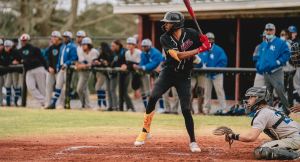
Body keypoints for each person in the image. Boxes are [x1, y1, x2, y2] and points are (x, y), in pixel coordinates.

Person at [134, 11, 211, 152]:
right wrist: (200, 49)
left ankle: (193, 141)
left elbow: (205, 43)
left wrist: (206, 42)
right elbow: (179, 56)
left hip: (184, 76)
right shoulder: (165, 38)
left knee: (186, 109)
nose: (165, 24)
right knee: (153, 97)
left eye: (168, 22)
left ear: (176, 24)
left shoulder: (192, 33)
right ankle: (145, 131)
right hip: (168, 73)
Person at [215, 86, 300, 160]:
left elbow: (251, 137)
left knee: (261, 151)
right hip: (295, 137)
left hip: (295, 139)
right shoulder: (270, 109)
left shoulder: (262, 113)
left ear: (258, 98)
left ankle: (297, 154)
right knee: (265, 144)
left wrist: (232, 136)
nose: (248, 100)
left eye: (250, 97)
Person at [256, 23, 291, 115]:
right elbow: (259, 57)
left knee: (280, 92)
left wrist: (278, 62)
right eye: (267, 30)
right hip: (266, 72)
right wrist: (259, 65)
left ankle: (287, 111)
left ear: (274, 31)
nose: (268, 31)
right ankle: (270, 113)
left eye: (270, 30)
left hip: (276, 71)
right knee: (268, 94)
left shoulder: (280, 42)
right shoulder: (263, 44)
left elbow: (287, 54)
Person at [46, 31, 78, 109]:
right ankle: (53, 103)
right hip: (61, 69)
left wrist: (67, 63)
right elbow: (60, 58)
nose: (64, 38)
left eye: (66, 37)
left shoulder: (73, 47)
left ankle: (66, 104)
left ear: (70, 38)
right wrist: (58, 65)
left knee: (66, 87)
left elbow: (74, 58)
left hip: (68, 69)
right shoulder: (63, 46)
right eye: (64, 37)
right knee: (58, 86)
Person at [199, 32, 228, 114]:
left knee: (219, 91)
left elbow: (224, 61)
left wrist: (217, 68)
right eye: (207, 39)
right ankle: (206, 109)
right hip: (207, 74)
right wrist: (202, 65)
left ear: (213, 40)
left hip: (217, 74)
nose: (209, 41)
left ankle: (224, 108)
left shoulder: (218, 49)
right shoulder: (203, 49)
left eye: (210, 39)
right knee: (207, 92)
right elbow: (199, 60)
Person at [133, 39, 163, 109]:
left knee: (158, 90)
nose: (143, 48)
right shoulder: (143, 53)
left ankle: (162, 107)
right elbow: (142, 62)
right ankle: (147, 107)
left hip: (160, 73)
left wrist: (142, 67)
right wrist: (140, 67)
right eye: (143, 46)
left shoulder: (155, 53)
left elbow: (154, 64)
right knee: (145, 91)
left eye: (145, 46)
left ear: (150, 46)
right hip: (149, 72)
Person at [19, 33, 47, 107]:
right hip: (28, 71)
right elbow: (18, 59)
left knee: (42, 88)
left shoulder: (34, 49)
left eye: (25, 40)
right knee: (30, 87)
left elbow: (42, 59)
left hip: (38, 68)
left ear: (28, 40)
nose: (23, 42)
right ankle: (45, 101)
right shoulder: (20, 50)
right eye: (22, 40)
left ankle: (44, 104)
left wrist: (46, 68)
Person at [75, 37, 99, 108]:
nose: (83, 46)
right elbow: (78, 63)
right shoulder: (81, 51)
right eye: (82, 45)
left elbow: (93, 63)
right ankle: (85, 105)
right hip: (84, 71)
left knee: (80, 89)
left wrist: (84, 65)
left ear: (89, 45)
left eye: (85, 45)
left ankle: (86, 105)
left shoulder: (93, 51)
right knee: (81, 89)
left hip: (95, 72)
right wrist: (83, 65)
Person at [120, 37, 141, 111]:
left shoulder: (138, 52)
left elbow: (137, 64)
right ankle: (131, 107)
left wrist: (127, 66)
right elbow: (129, 64)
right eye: (128, 44)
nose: (129, 45)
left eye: (131, 44)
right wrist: (125, 65)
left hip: (141, 73)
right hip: (133, 73)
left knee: (145, 91)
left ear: (134, 45)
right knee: (131, 87)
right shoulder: (127, 53)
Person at [45, 31, 64, 108]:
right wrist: (48, 67)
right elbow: (46, 59)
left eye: (54, 37)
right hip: (50, 70)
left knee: (59, 87)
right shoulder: (50, 48)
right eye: (52, 37)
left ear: (59, 38)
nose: (52, 39)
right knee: (48, 87)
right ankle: (48, 103)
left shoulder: (63, 47)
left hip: (60, 70)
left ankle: (60, 104)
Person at [93, 42, 113, 110]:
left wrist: (101, 63)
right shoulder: (101, 54)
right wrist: (96, 62)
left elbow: (107, 63)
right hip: (99, 73)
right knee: (100, 88)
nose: (100, 49)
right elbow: (97, 60)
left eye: (101, 47)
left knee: (98, 87)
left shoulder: (107, 54)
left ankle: (101, 105)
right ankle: (102, 104)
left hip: (104, 73)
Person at [2, 40, 22, 106]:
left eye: (8, 46)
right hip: (9, 71)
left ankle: (16, 102)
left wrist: (17, 62)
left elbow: (19, 59)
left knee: (16, 86)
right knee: (7, 85)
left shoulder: (15, 51)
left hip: (16, 71)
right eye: (5, 46)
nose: (6, 48)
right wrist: (11, 62)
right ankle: (8, 103)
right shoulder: (3, 52)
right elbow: (4, 62)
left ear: (11, 46)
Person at [109, 40, 126, 111]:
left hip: (123, 74)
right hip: (114, 73)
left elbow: (124, 62)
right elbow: (113, 62)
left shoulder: (124, 52)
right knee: (112, 89)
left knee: (123, 92)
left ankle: (128, 107)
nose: (111, 47)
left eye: (113, 46)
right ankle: (115, 106)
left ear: (118, 45)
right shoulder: (113, 53)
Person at [289, 26, 300, 104]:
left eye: (292, 33)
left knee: (297, 86)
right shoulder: (288, 43)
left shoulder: (298, 43)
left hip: (298, 67)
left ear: (295, 33)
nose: (291, 34)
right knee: (291, 87)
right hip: (291, 68)